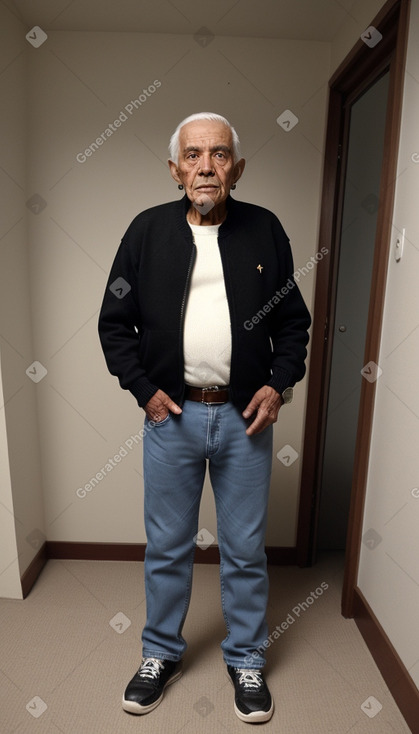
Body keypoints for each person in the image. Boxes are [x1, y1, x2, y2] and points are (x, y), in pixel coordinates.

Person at [98, 112, 311, 724]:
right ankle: (160, 653)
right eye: (193, 155)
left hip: (245, 417)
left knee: (244, 549)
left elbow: (293, 323)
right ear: (175, 169)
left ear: (236, 169)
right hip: (172, 418)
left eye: (219, 155)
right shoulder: (144, 233)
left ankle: (246, 657)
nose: (206, 166)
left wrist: (277, 385)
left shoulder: (265, 230)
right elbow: (114, 324)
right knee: (167, 546)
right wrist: (143, 389)